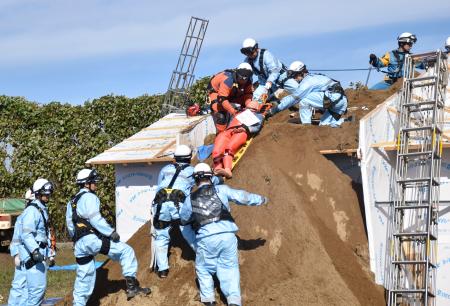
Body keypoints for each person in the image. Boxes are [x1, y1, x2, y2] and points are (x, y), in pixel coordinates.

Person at [180, 163, 268, 306]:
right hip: (228, 236)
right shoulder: (222, 190)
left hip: (206, 238)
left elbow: (183, 220)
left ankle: (208, 300)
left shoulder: (190, 199)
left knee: (203, 269)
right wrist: (261, 199)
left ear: (195, 179)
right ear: (211, 176)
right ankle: (233, 301)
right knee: (230, 268)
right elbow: (243, 197)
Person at [66, 168, 150, 305]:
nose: (96, 184)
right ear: (87, 183)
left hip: (79, 245)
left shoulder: (72, 202)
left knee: (84, 276)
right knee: (126, 251)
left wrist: (77, 239)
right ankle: (132, 287)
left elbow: (70, 225)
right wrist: (110, 232)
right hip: (92, 240)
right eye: (94, 182)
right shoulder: (90, 197)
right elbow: (95, 219)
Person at [151, 145, 197, 278]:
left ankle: (162, 270)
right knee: (187, 229)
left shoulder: (165, 169)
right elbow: (202, 185)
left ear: (175, 158)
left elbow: (159, 185)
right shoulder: (192, 171)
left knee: (161, 235)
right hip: (179, 205)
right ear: (189, 158)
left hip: (160, 204)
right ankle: (202, 256)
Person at [266, 61, 348, 127]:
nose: (294, 79)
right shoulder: (315, 77)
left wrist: (274, 110)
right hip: (341, 101)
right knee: (324, 126)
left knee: (304, 100)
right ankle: (347, 122)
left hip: (333, 98)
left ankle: (306, 128)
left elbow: (294, 98)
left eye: (294, 76)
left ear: (301, 73)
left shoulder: (307, 83)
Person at [17, 179, 54, 306]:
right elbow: (26, 234)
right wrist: (35, 251)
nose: (48, 196)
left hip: (40, 252)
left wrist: (50, 253)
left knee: (33, 292)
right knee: (37, 291)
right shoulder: (32, 211)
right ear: (38, 193)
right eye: (45, 193)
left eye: (49, 193)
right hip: (33, 256)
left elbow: (44, 234)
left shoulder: (41, 209)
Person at [212, 100, 264, 178]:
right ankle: (218, 167)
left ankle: (227, 169)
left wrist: (245, 128)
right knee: (218, 146)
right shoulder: (238, 113)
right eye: (248, 107)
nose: (250, 108)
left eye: (252, 107)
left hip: (241, 131)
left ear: (256, 108)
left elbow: (257, 127)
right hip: (228, 131)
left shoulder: (258, 115)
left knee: (229, 148)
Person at [208, 63, 254, 133]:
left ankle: (244, 126)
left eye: (245, 78)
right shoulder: (228, 80)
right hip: (216, 93)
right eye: (241, 78)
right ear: (237, 74)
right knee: (221, 115)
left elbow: (248, 95)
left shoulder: (248, 81)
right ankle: (221, 134)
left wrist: (249, 106)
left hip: (232, 92)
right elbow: (222, 99)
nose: (243, 80)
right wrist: (233, 111)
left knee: (246, 106)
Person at [7, 189, 33, 306]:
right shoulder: (23, 217)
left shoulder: (38, 214)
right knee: (19, 285)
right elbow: (16, 238)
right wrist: (16, 254)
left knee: (30, 285)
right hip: (23, 255)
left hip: (32, 256)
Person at [241, 38, 287, 102]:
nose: (249, 55)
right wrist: (249, 86)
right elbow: (248, 76)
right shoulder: (247, 61)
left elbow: (275, 70)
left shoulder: (266, 55)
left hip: (281, 79)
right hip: (264, 83)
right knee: (255, 98)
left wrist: (269, 82)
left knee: (285, 95)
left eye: (250, 52)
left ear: (256, 48)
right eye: (246, 53)